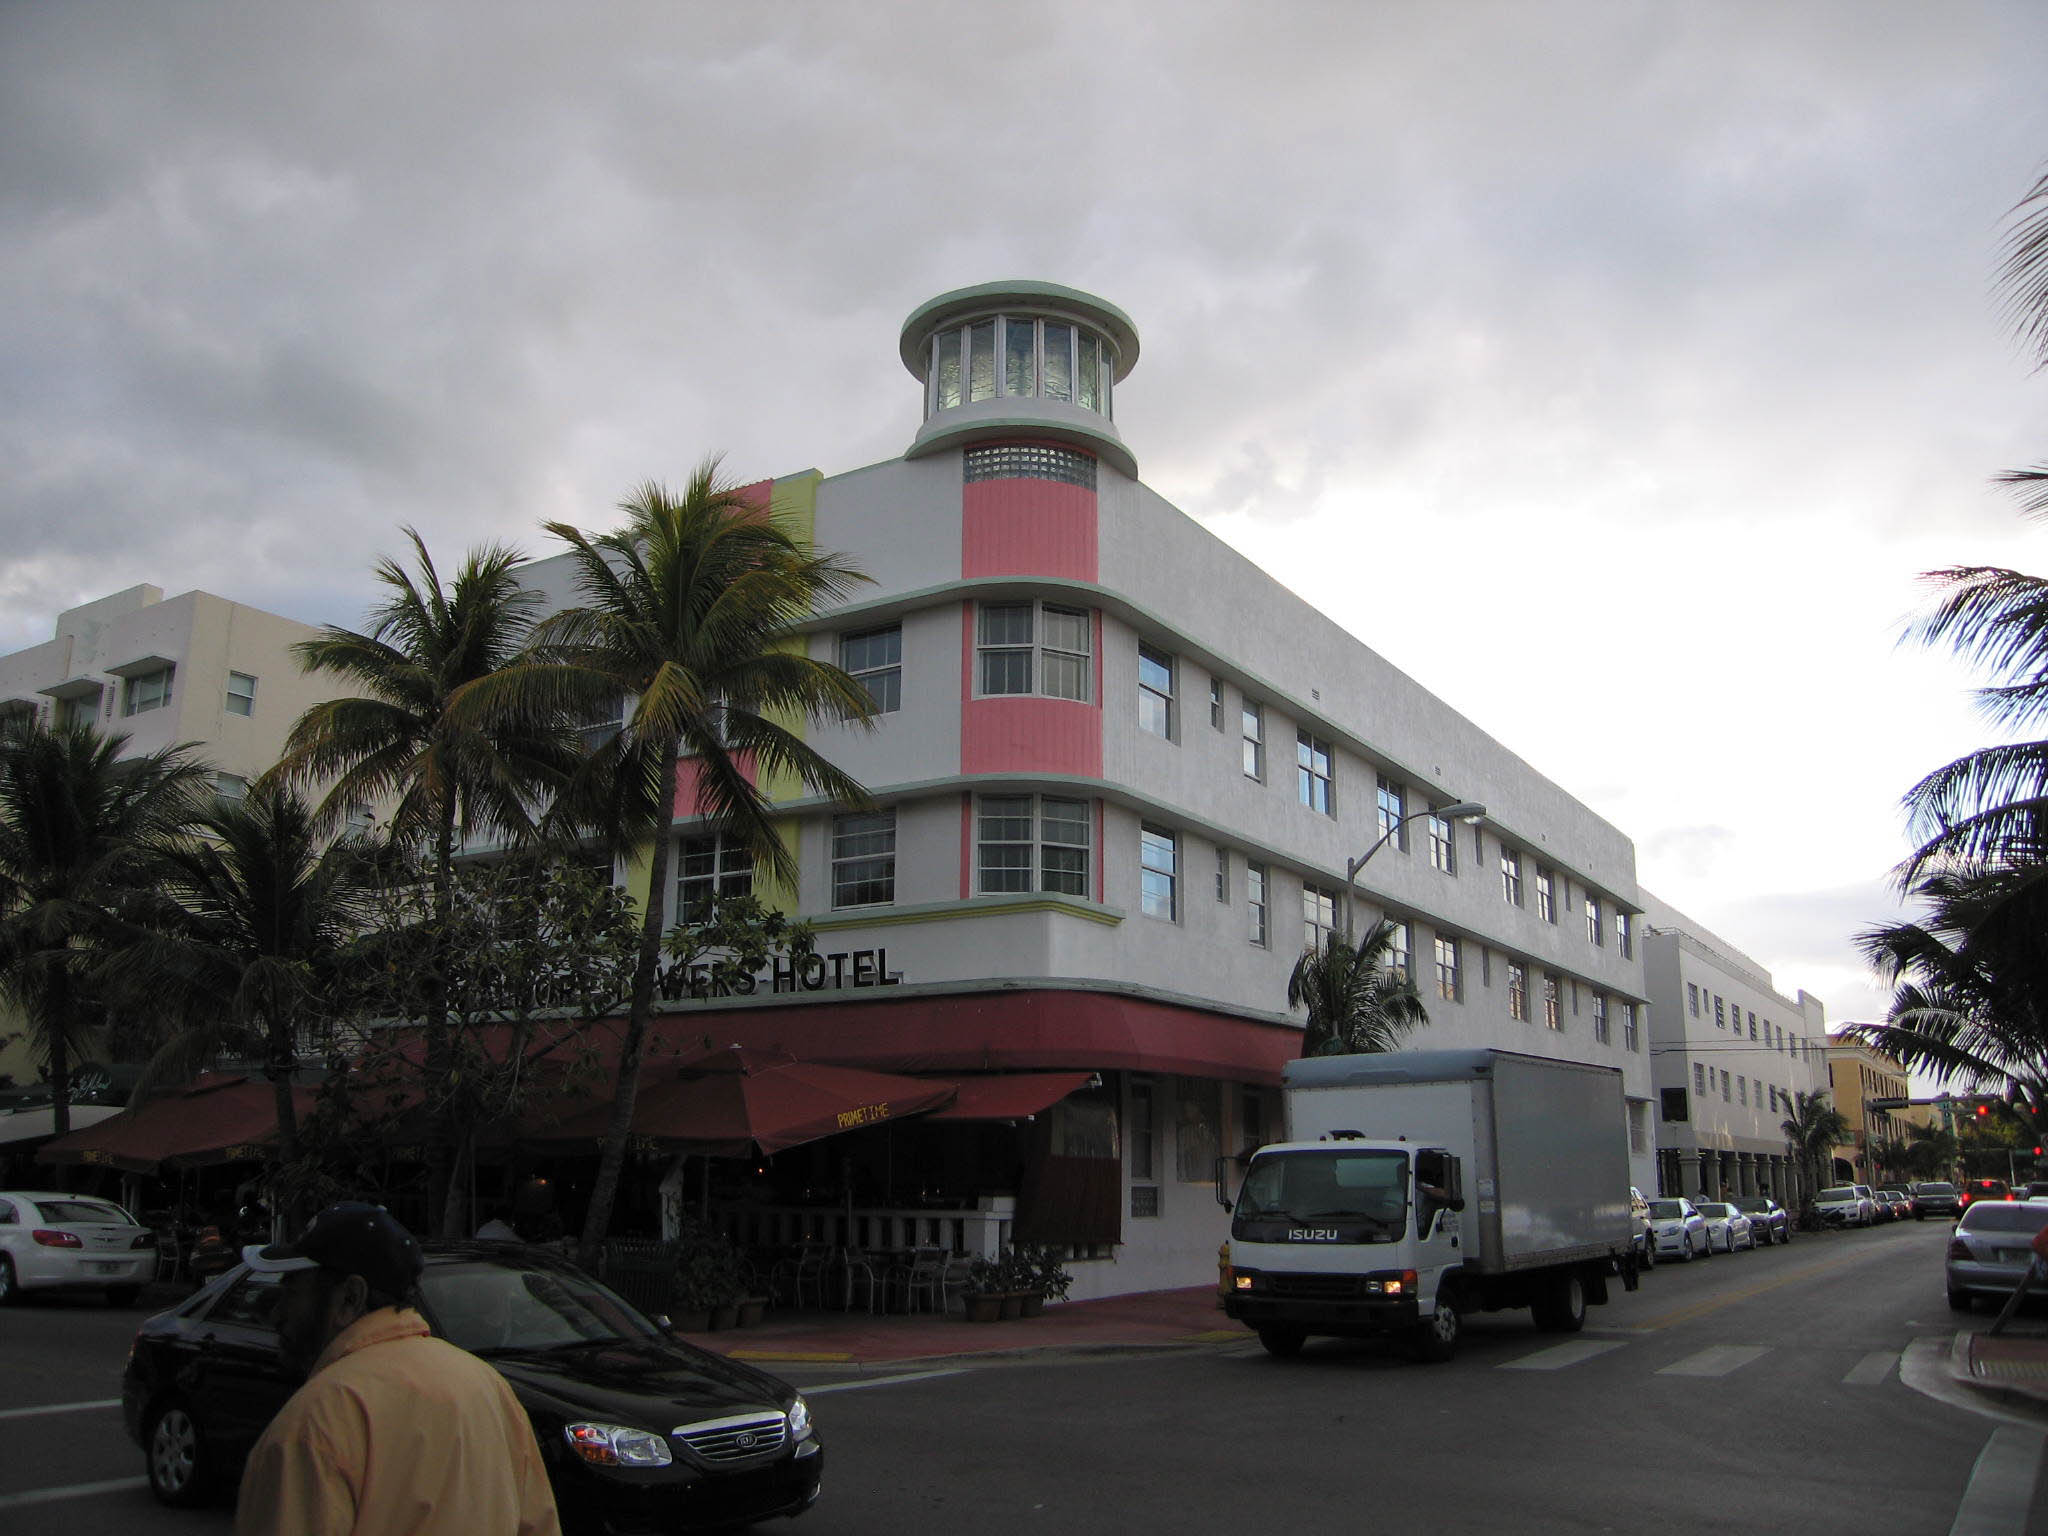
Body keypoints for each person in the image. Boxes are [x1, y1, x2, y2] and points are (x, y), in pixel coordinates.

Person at [233, 1201, 560, 1536]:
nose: (276, 1314)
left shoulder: (316, 1420)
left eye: (292, 1290)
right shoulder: (487, 1386)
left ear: (350, 1298)